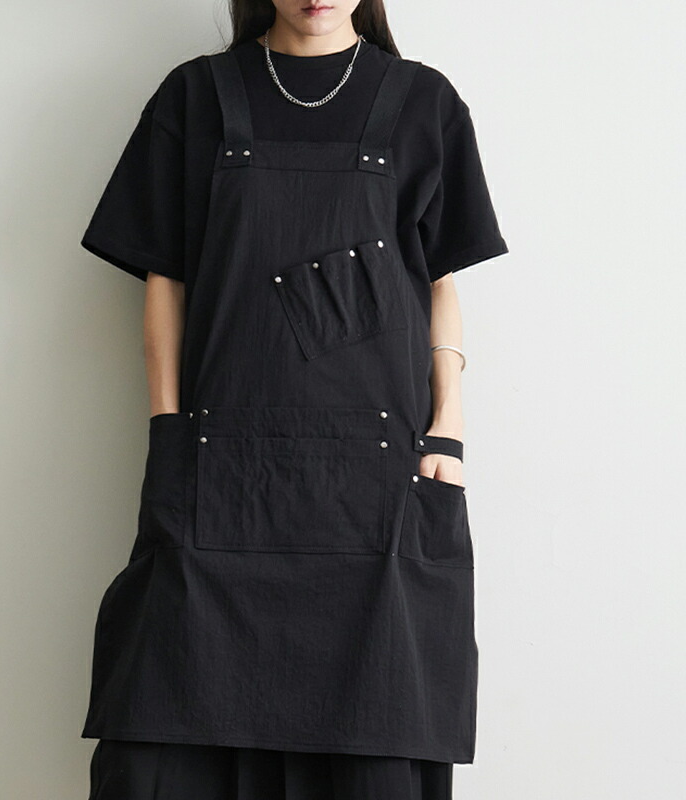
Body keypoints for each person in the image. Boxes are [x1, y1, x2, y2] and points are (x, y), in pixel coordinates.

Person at [79, 1, 509, 797]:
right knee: (160, 744)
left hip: (379, 493)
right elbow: (164, 281)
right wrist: (166, 427)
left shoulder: (424, 102)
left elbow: (438, 280)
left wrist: (447, 432)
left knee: (377, 742)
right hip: (217, 478)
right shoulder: (195, 97)